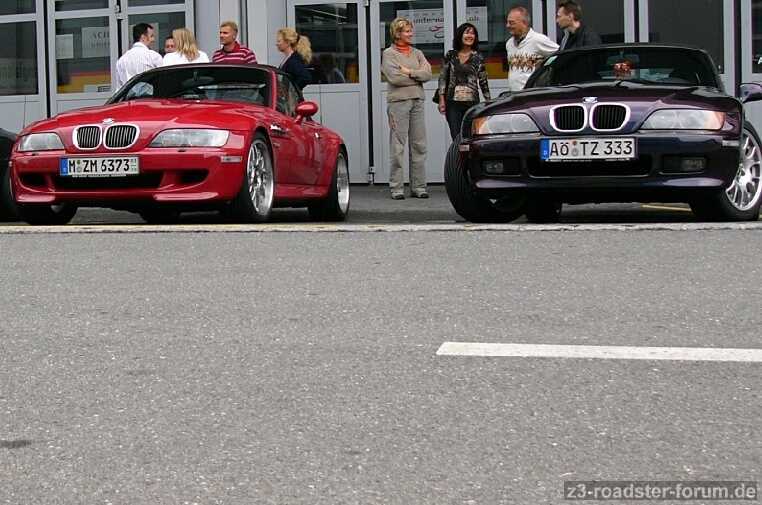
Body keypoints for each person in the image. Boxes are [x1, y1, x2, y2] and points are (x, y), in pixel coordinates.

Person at [381, 17, 432, 200]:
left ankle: (419, 186)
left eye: (411, 30)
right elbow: (394, 78)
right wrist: (417, 77)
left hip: (417, 101)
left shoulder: (417, 53)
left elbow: (428, 74)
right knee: (398, 146)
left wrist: (409, 72)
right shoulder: (389, 54)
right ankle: (397, 188)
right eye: (407, 31)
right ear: (397, 33)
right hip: (398, 103)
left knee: (419, 145)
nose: (411, 34)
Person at [438, 23, 491, 140]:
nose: (470, 36)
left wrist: (489, 102)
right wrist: (441, 100)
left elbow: (483, 82)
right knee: (456, 137)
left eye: (473, 33)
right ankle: (458, 153)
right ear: (460, 35)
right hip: (453, 103)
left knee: (471, 136)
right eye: (467, 32)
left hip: (472, 103)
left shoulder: (478, 57)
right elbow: (443, 78)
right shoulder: (451, 55)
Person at [505, 6, 558, 92]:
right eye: (507, 22)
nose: (507, 25)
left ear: (524, 23)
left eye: (511, 23)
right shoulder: (509, 44)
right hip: (514, 94)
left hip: (533, 95)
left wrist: (545, 65)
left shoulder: (538, 40)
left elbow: (560, 55)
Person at [115, 23, 163, 89]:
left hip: (129, 95)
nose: (153, 39)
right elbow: (162, 81)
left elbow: (119, 89)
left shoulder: (121, 60)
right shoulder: (153, 56)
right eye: (151, 36)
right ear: (143, 37)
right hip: (150, 94)